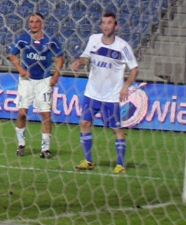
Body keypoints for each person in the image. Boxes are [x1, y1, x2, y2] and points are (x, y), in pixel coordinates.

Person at [71, 12, 138, 174]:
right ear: (101, 25)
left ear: (116, 26)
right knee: (85, 123)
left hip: (111, 96)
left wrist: (126, 86)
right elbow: (86, 57)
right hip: (92, 93)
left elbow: (134, 68)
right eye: (104, 23)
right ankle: (88, 160)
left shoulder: (122, 46)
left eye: (110, 23)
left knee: (116, 129)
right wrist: (80, 61)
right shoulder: (93, 40)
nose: (106, 25)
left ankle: (120, 164)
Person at [8, 12, 63, 159]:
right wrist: (20, 69)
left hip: (44, 80)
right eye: (31, 21)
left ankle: (45, 149)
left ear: (42, 24)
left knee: (46, 115)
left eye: (37, 21)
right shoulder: (23, 39)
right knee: (22, 113)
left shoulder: (51, 41)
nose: (33, 24)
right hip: (27, 80)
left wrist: (56, 75)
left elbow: (60, 57)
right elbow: (12, 55)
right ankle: (21, 144)